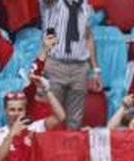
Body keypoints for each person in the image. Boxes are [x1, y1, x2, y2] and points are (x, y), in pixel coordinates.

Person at [40, 0, 100, 129]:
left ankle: (72, 142)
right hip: (55, 64)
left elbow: (88, 36)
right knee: (52, 115)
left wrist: (95, 70)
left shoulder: (85, 5)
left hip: (80, 67)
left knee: (75, 120)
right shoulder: (54, 3)